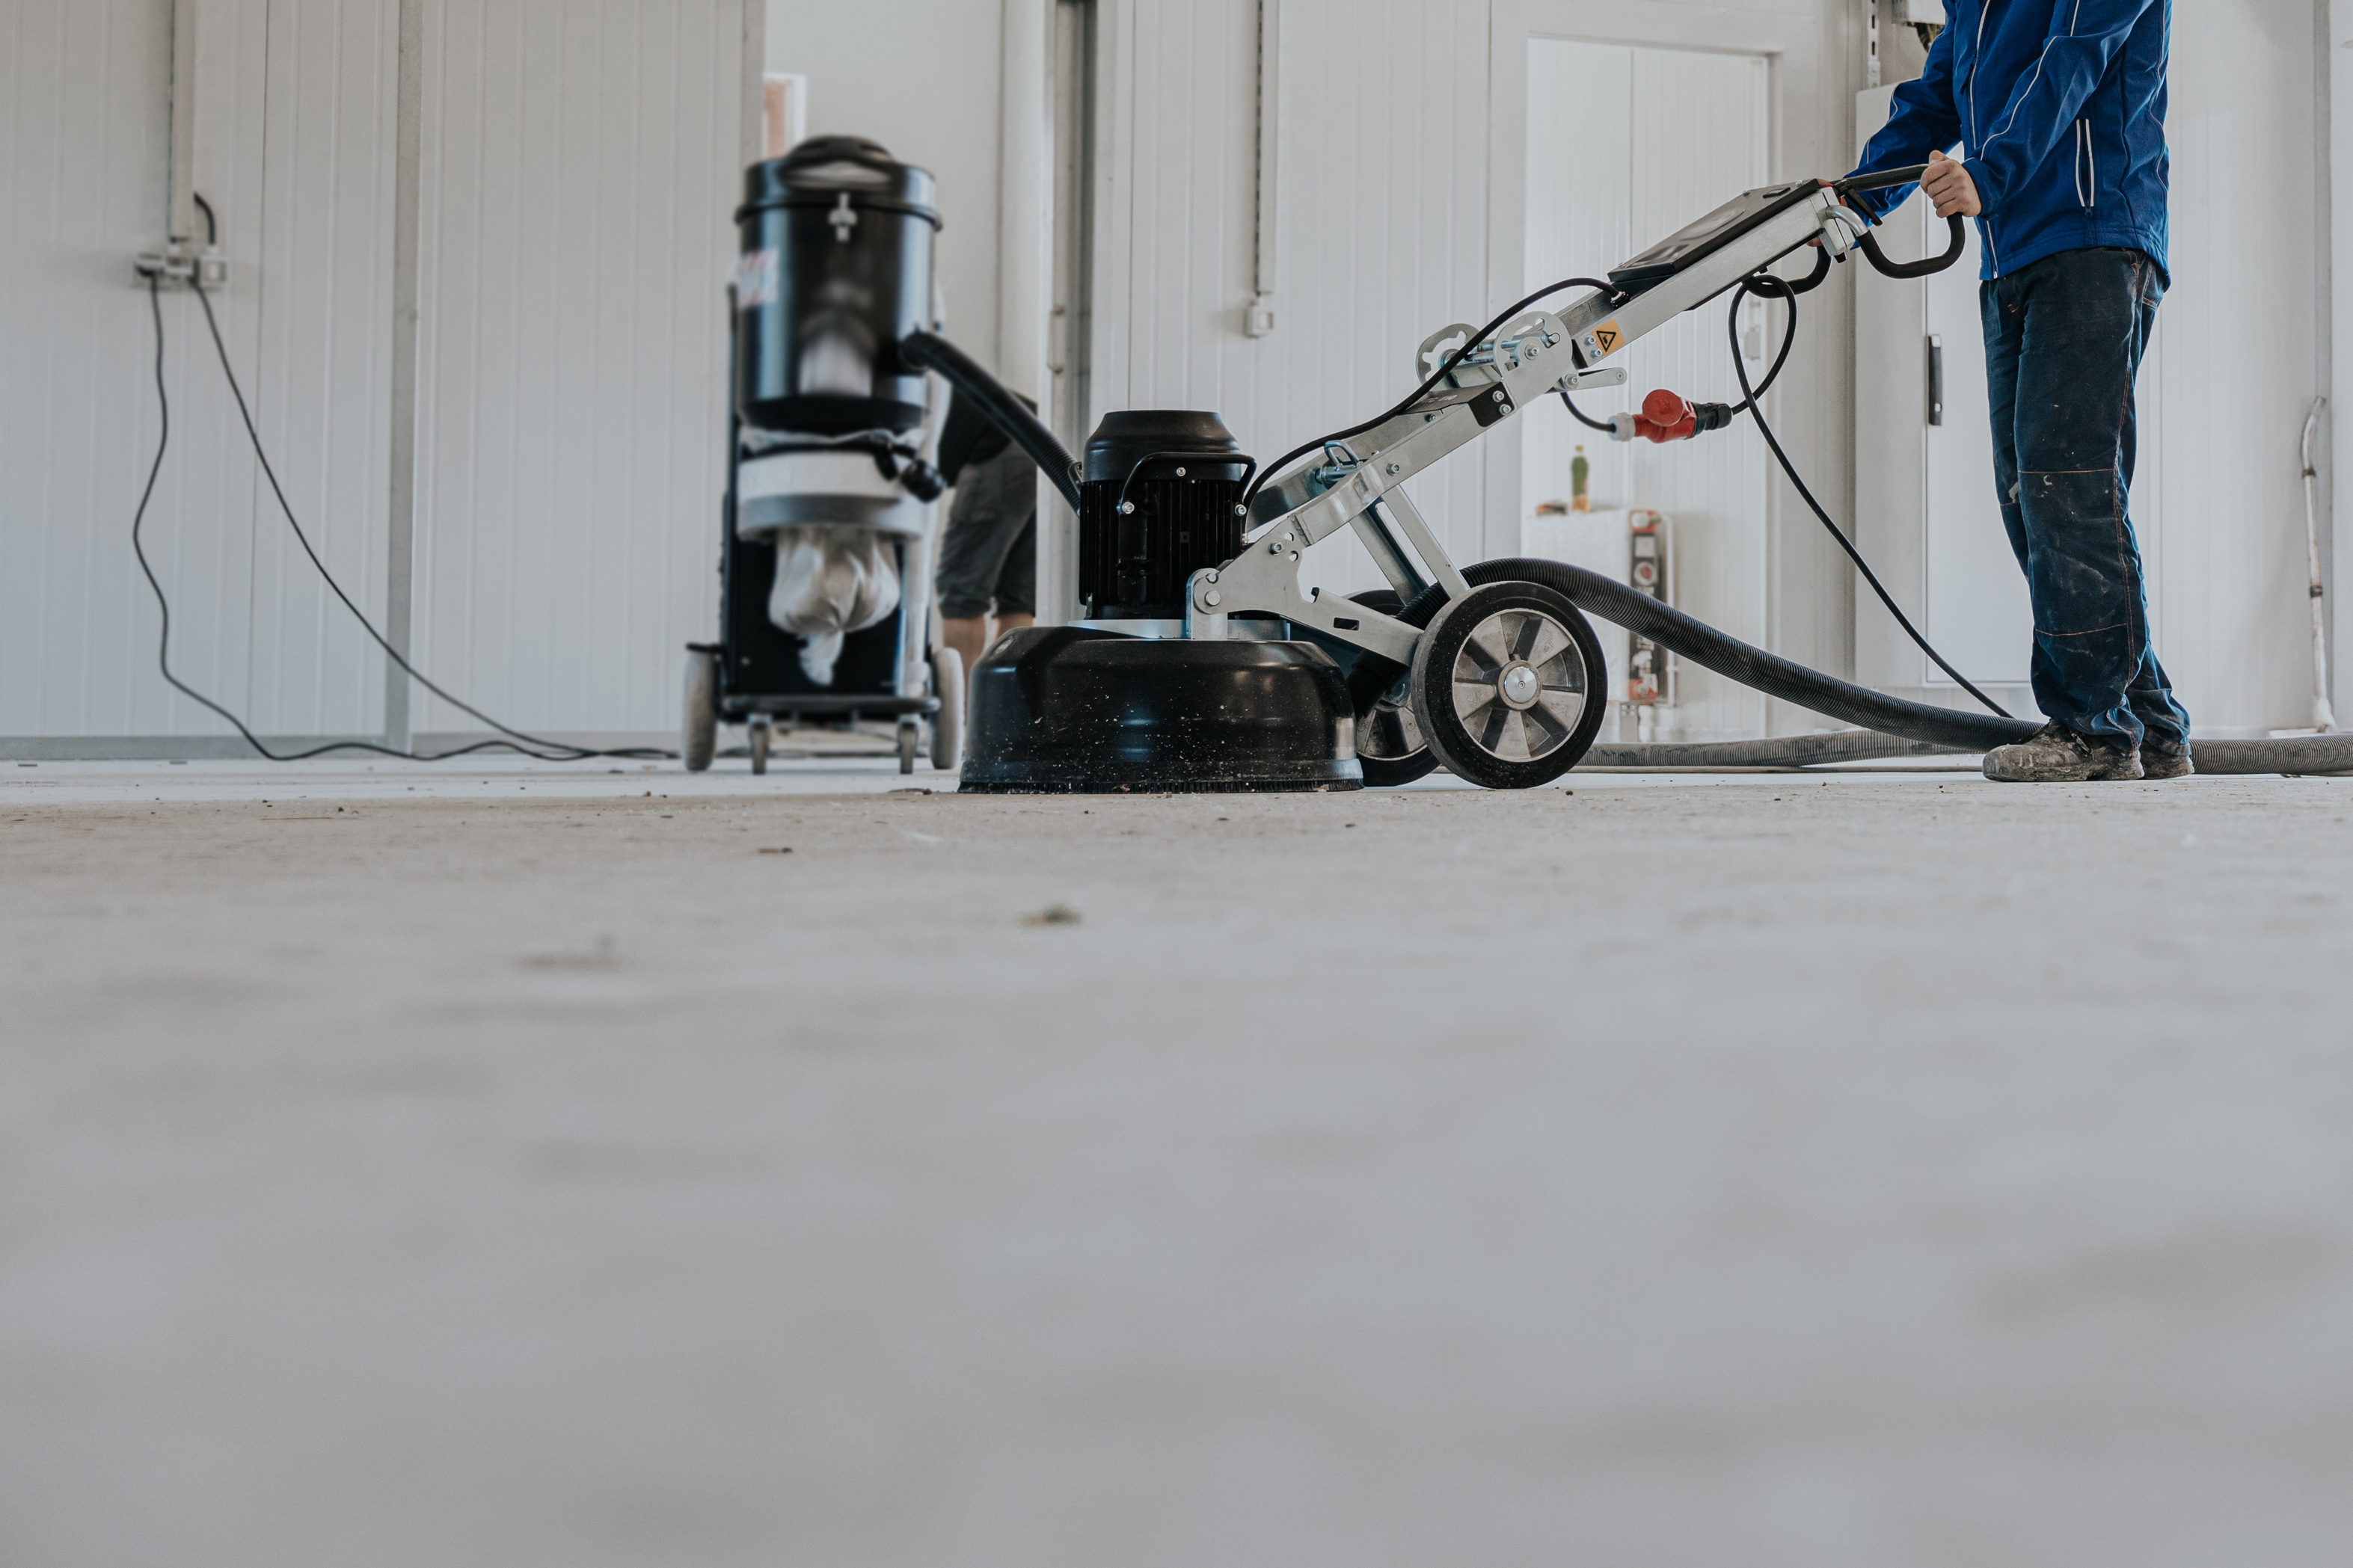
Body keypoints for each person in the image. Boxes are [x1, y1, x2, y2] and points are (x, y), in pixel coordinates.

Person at [1848, 1, 2191, 782]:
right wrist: (1853, 198)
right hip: (2010, 258)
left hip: (2093, 238)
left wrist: (1987, 174)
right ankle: (2146, 721)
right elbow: (1935, 97)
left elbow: (2069, 62)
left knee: (2066, 485)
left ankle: (2093, 732)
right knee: (2030, 497)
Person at [933, 390, 1038, 676]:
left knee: (960, 596)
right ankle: (1004, 698)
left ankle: (966, 702)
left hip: (999, 444)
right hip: (1042, 440)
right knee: (1016, 598)